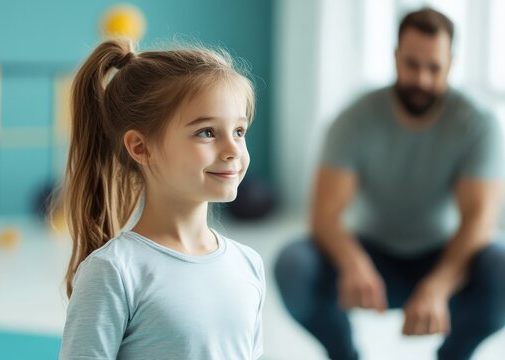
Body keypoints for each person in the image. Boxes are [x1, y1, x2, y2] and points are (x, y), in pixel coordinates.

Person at [275, 7, 505, 360]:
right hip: (371, 254)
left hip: (444, 255)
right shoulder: (355, 118)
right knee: (293, 265)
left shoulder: (478, 123)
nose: (422, 80)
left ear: (451, 63)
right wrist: (353, 261)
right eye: (412, 65)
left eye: (434, 68)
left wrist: (439, 285)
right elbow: (325, 214)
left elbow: (479, 221)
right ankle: (344, 354)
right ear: (396, 57)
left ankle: (455, 355)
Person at [59, 38, 265, 360]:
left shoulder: (249, 264)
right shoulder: (113, 271)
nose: (233, 150)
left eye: (239, 131)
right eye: (207, 132)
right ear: (140, 147)